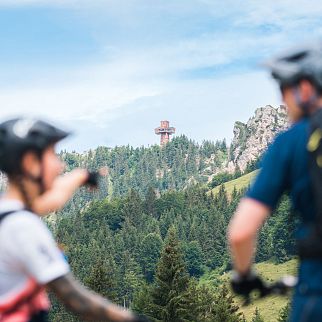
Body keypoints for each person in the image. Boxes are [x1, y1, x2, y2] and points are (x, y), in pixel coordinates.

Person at [0, 118, 148, 322]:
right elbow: (77, 300)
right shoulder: (22, 227)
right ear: (30, 163)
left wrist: (83, 176)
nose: (60, 166)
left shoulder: (7, 211)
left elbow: (51, 200)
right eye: (52, 154)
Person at [228, 41, 322, 321]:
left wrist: (245, 276)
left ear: (304, 88)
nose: (282, 100)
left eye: (283, 89)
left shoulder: (292, 142)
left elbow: (241, 232)